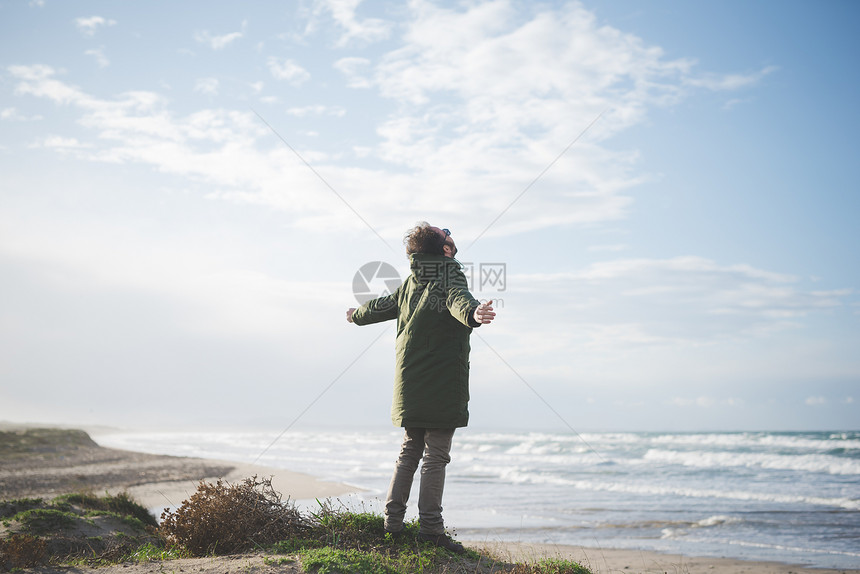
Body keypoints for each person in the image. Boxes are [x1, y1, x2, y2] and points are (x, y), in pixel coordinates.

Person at [346, 222, 496, 553]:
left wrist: (356, 314)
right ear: (445, 249)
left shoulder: (411, 282)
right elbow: (459, 300)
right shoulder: (449, 274)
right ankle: (430, 530)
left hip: (409, 381)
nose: (450, 234)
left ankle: (392, 526)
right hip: (441, 380)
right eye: (446, 234)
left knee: (410, 451)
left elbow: (381, 306)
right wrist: (474, 313)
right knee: (436, 455)